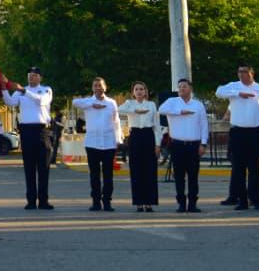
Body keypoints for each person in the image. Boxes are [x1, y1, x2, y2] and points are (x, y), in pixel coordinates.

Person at [216, 64, 259, 211]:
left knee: (256, 168)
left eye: (244, 72)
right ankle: (241, 200)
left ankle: (256, 199)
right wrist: (238, 93)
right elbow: (219, 92)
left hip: (256, 132)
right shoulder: (233, 86)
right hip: (238, 132)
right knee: (238, 168)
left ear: (252, 73)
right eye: (239, 72)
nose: (241, 74)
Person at [1, 67, 55, 209]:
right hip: (26, 131)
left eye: (35, 75)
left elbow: (41, 101)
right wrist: (4, 88)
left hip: (42, 131)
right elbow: (10, 102)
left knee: (43, 168)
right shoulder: (21, 91)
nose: (31, 77)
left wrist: (24, 91)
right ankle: (31, 200)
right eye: (30, 75)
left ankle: (43, 201)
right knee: (29, 168)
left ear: (40, 77)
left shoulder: (46, 90)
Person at [158, 79, 208, 213]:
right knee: (179, 176)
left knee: (193, 176)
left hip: (194, 145)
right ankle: (181, 203)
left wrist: (203, 143)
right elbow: (161, 110)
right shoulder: (172, 102)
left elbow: (204, 125)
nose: (181, 89)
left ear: (190, 88)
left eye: (184, 86)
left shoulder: (198, 105)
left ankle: (192, 203)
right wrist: (180, 111)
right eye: (179, 87)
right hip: (177, 145)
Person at [72, 77, 122, 211]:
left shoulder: (111, 102)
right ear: (92, 88)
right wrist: (92, 104)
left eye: (100, 85)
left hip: (108, 143)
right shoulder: (88, 102)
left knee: (108, 175)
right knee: (94, 175)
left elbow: (116, 122)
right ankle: (96, 202)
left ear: (105, 87)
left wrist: (118, 139)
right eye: (95, 86)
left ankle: (107, 201)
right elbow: (74, 102)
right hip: (92, 143)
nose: (98, 88)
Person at [119, 81, 162, 212]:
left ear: (145, 91)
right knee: (136, 170)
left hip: (148, 135)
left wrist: (158, 144)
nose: (139, 91)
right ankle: (138, 202)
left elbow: (156, 125)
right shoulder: (129, 103)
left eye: (141, 89)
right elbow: (118, 109)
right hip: (135, 135)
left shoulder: (151, 105)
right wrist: (134, 110)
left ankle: (149, 202)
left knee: (150, 170)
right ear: (133, 92)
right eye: (136, 89)